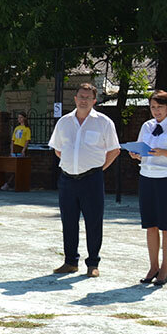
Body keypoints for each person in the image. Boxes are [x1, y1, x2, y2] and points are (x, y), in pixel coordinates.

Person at [47, 83, 120, 277]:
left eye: (88, 97)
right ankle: (70, 262)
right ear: (75, 98)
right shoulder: (64, 122)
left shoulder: (104, 123)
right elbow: (57, 149)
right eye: (81, 96)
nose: (84, 100)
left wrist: (97, 170)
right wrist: (72, 165)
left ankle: (93, 264)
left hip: (92, 179)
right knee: (68, 221)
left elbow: (114, 150)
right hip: (67, 180)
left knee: (93, 222)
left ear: (94, 101)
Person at [129, 91, 167, 286]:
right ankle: (153, 266)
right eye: (153, 107)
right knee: (150, 225)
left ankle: (164, 269)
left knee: (166, 226)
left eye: (159, 107)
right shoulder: (147, 126)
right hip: (147, 177)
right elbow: (141, 150)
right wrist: (136, 154)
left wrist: (164, 152)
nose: (156, 111)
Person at [1, 113, 32, 191]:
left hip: (21, 148)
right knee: (12, 167)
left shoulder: (27, 129)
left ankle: (11, 184)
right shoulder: (17, 128)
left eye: (21, 117)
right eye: (18, 117)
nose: (19, 119)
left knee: (19, 168)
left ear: (25, 118)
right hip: (15, 148)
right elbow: (13, 140)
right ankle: (10, 184)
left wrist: (23, 150)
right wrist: (11, 150)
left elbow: (27, 141)